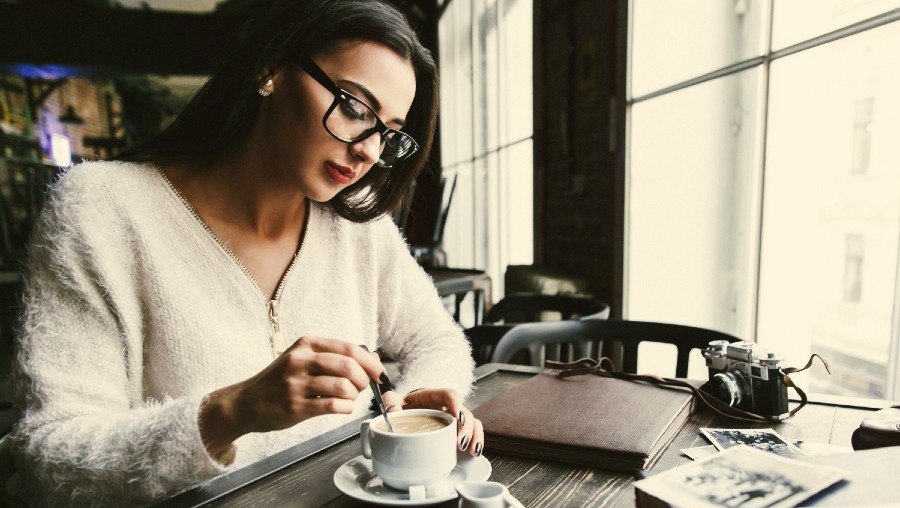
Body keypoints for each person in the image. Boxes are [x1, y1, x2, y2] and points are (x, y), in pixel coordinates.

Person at [8, 0, 482, 505]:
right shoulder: (102, 210)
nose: (369, 149)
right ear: (271, 68)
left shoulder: (359, 229)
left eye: (389, 133)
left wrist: (411, 404)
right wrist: (231, 411)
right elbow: (48, 458)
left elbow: (438, 340)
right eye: (355, 107)